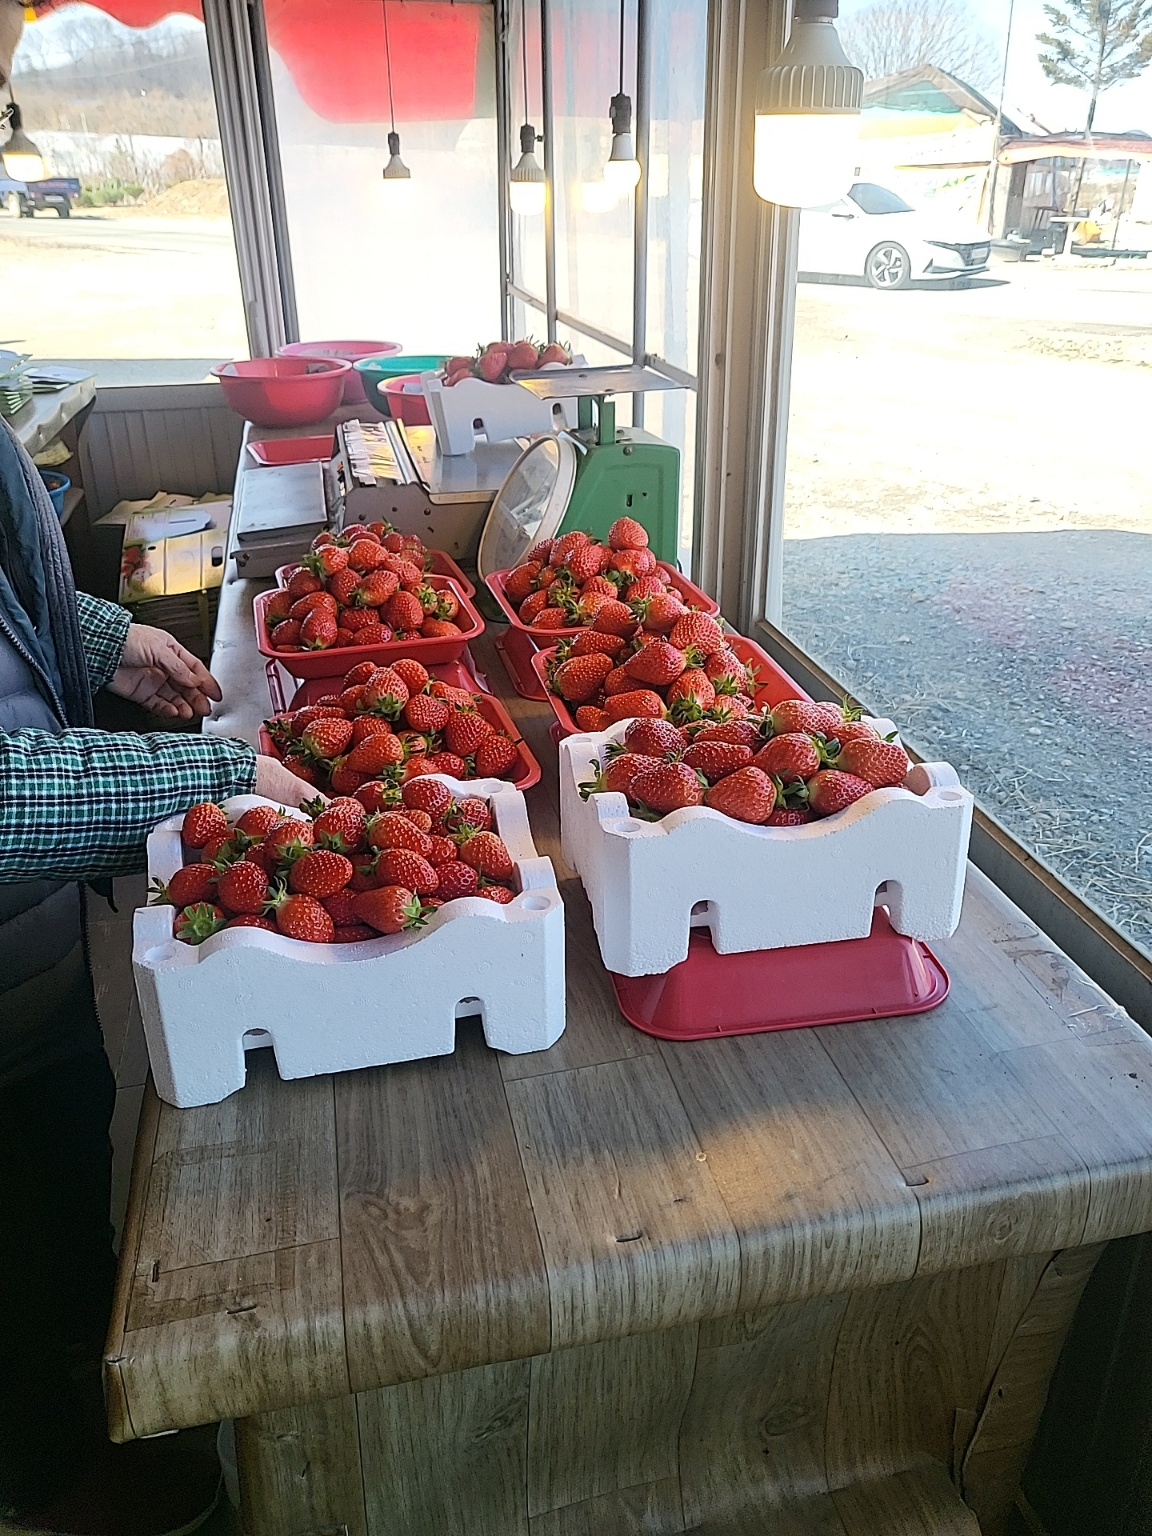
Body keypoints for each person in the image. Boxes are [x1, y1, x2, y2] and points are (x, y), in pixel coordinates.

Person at [1, 13, 313, 1530]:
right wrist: (197, 776)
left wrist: (111, 637)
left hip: (27, 966)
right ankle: (52, 1477)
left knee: (56, 1179)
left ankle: (73, 1406)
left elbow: (8, 585)